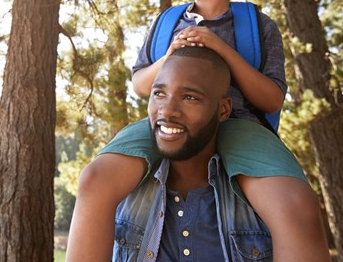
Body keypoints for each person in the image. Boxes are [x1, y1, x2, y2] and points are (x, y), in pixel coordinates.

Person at [66, 0, 330, 262]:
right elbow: (141, 85)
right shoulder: (166, 23)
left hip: (239, 126)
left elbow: (271, 98)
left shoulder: (257, 25)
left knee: (296, 204)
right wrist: (170, 56)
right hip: (165, 121)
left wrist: (220, 48)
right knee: (95, 179)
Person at [113, 46, 272, 261]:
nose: (167, 110)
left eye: (189, 97)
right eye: (159, 93)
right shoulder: (120, 191)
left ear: (223, 110)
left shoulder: (259, 203)